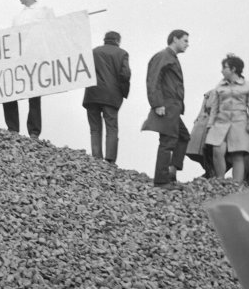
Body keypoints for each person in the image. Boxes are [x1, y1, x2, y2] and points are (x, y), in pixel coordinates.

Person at [3, 0, 55, 139]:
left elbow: (53, 30)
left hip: (36, 57)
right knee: (10, 89)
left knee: (34, 94)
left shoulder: (44, 9)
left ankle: (34, 130)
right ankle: (12, 127)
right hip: (19, 58)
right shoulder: (18, 16)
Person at [141, 29, 190, 191]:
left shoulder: (171, 57)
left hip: (173, 106)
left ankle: (171, 171)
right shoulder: (164, 56)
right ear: (175, 39)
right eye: (185, 40)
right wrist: (157, 104)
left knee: (183, 136)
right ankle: (161, 181)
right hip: (167, 105)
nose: (187, 44)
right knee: (168, 141)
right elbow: (153, 79)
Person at [205, 54, 249, 183]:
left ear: (233, 69)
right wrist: (210, 124)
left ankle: (236, 184)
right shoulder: (220, 86)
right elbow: (214, 107)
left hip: (240, 122)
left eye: (225, 67)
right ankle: (220, 179)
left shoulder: (248, 85)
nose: (222, 70)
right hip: (221, 122)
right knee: (217, 150)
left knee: (238, 154)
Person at [81, 31, 131, 163]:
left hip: (92, 94)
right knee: (111, 127)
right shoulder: (122, 54)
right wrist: (123, 92)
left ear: (105, 40)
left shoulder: (94, 52)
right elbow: (125, 75)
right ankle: (110, 160)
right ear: (118, 41)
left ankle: (96, 158)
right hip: (111, 96)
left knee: (95, 128)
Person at [186, 89, 216, 178]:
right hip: (203, 124)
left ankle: (211, 172)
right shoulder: (212, 93)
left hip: (210, 125)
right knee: (196, 152)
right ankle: (210, 171)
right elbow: (206, 107)